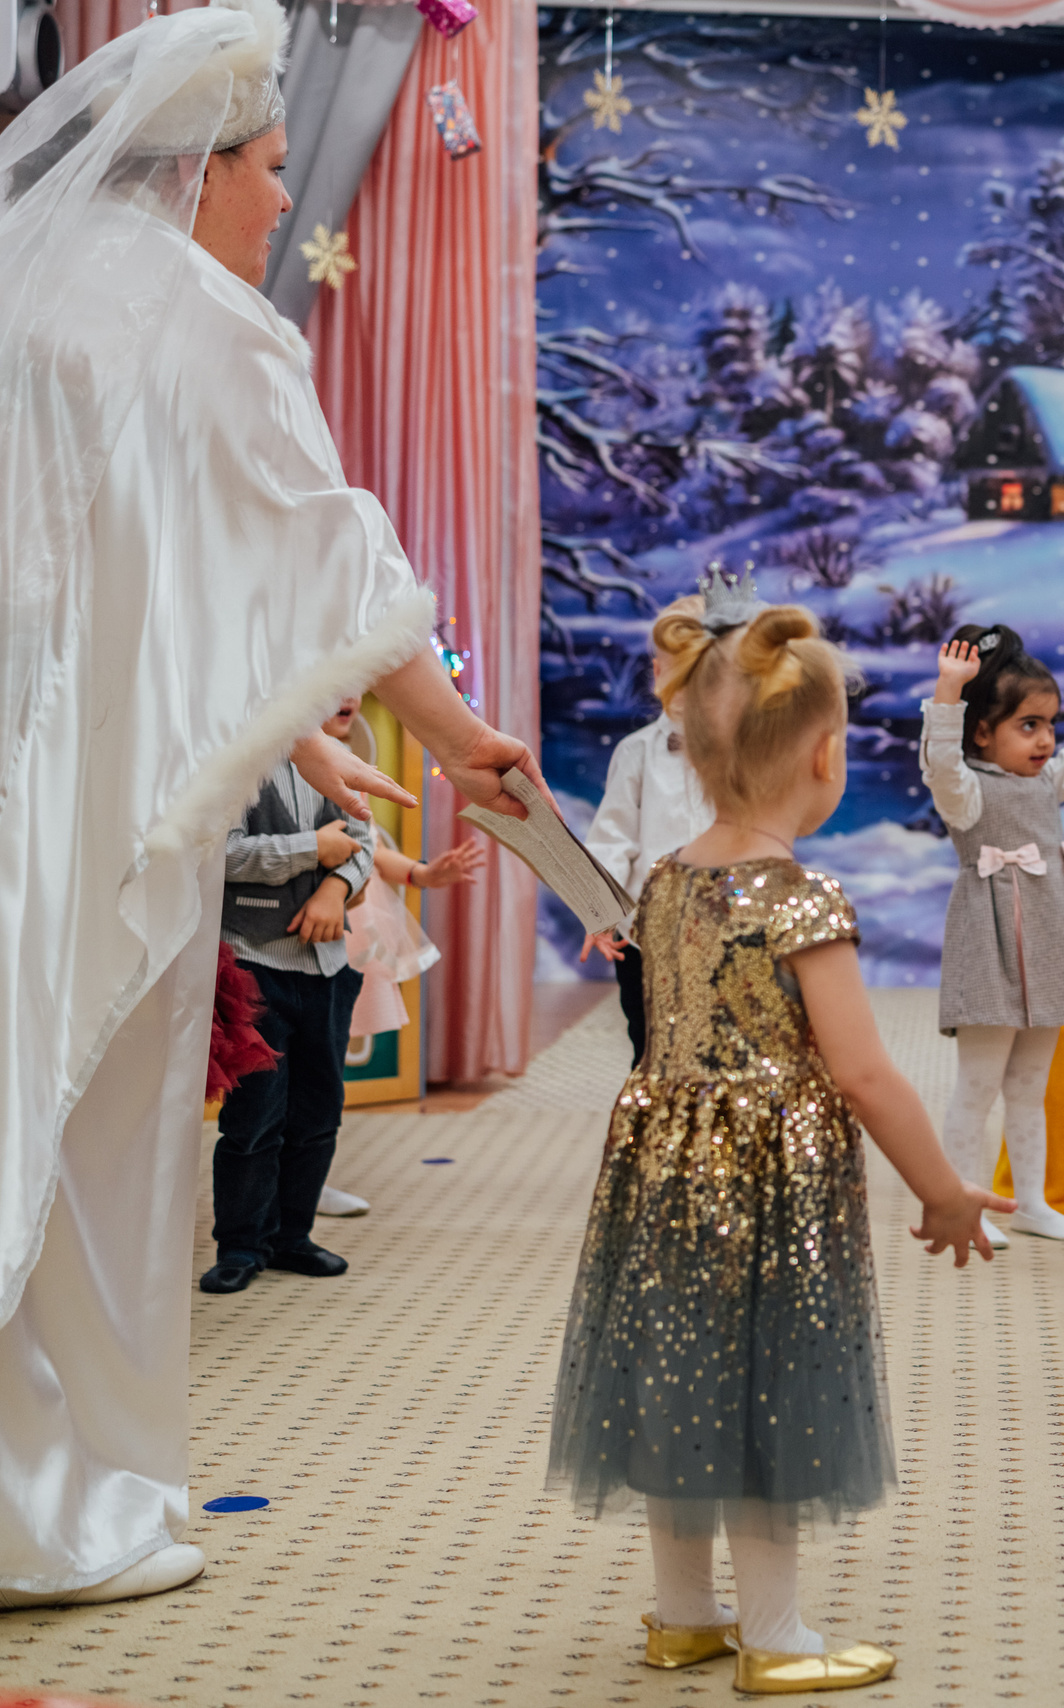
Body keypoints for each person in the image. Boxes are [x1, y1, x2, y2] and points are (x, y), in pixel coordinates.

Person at [0, 0, 546, 1607]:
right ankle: (58, 1506)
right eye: (268, 168)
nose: (276, 202)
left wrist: (306, 741)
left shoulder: (30, 299)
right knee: (105, 1137)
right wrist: (451, 732)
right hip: (113, 804)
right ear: (199, 173)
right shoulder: (200, 318)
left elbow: (133, 584)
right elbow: (322, 549)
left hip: (25, 772)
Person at [547, 592, 1006, 1695]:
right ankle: (778, 1634)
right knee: (765, 1391)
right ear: (825, 755)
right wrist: (945, 1191)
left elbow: (667, 1024)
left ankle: (682, 1614)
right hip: (767, 1178)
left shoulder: (661, 881)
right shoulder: (804, 898)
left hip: (660, 1161)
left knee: (677, 1378)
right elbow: (862, 1071)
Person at [921, 616, 1064, 1246]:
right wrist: (949, 696)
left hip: (1049, 943)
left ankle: (1031, 1202)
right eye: (1027, 725)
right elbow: (940, 767)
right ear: (983, 732)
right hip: (992, 950)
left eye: (1049, 724)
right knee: (979, 1085)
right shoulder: (967, 792)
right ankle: (963, 1204)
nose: (1045, 741)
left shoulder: (1044, 781)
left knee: (1030, 1085)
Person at [200, 749, 378, 1294]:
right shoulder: (240, 761)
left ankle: (291, 1236)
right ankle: (241, 1243)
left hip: (325, 968)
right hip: (253, 963)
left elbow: (365, 842)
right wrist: (311, 850)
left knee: (319, 1111)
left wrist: (335, 887)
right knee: (254, 1118)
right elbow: (219, 853)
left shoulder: (339, 765)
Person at [324, 699, 484, 1218]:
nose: (347, 697)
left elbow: (366, 844)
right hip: (303, 925)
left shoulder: (351, 761)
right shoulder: (286, 764)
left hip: (353, 925)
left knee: (327, 1065)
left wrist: (422, 874)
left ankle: (310, 1176)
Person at [579, 593, 714, 1065]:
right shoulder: (636, 752)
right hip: (644, 934)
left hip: (722, 932)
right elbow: (613, 837)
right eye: (669, 668)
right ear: (656, 673)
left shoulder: (743, 753)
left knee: (715, 1049)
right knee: (650, 1046)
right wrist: (598, 911)